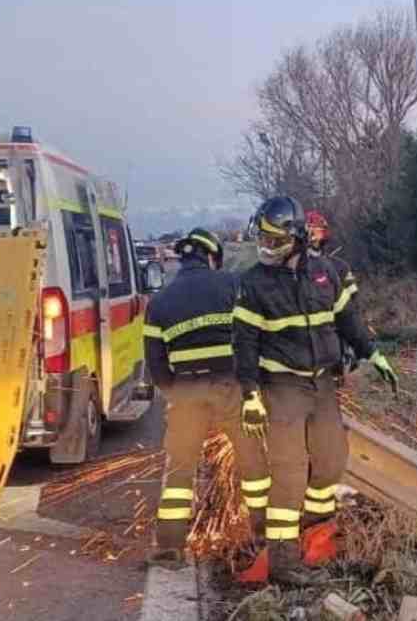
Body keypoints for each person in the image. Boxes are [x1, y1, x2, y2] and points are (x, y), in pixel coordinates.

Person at [232, 196, 399, 585]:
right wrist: (250, 395)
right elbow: (243, 344)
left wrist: (373, 354)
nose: (266, 248)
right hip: (282, 387)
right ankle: (284, 562)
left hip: (323, 383)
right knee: (289, 474)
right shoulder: (253, 284)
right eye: (262, 239)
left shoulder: (325, 272)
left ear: (297, 238)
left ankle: (315, 534)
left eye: (274, 241)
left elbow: (347, 320)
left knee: (330, 461)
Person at [143, 228, 270, 571]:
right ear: (211, 256)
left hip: (185, 392)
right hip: (232, 388)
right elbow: (256, 336)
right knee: (252, 463)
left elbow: (156, 365)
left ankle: (169, 547)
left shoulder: (159, 302)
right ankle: (263, 537)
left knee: (180, 472)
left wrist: (177, 393)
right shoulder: (232, 285)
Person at [305, 210, 361, 377]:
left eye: (317, 232)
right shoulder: (291, 268)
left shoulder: (339, 266)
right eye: (310, 233)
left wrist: (352, 341)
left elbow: (353, 303)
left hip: (333, 333)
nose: (313, 238)